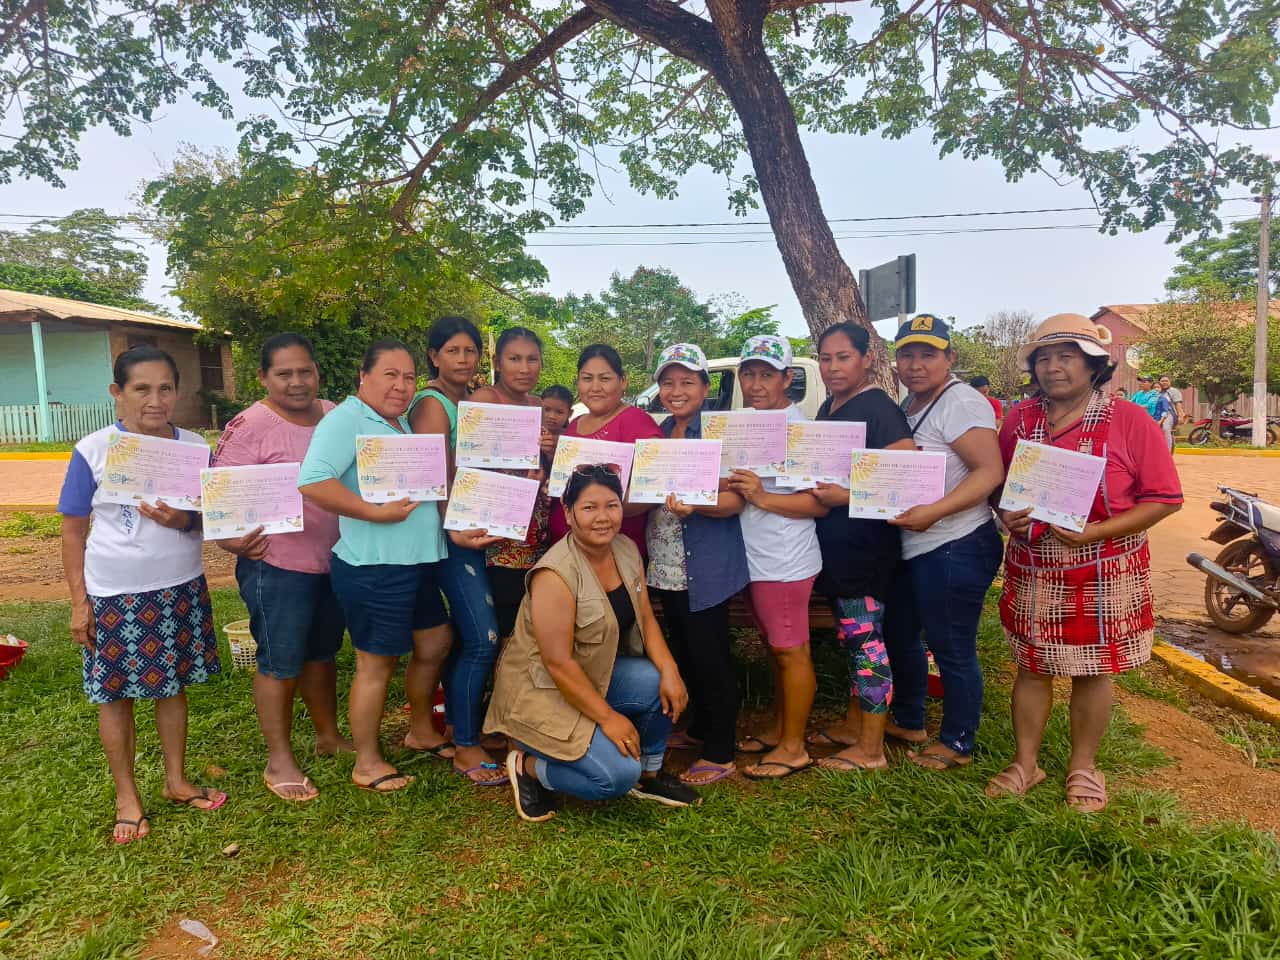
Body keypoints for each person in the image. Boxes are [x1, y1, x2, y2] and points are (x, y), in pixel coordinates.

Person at [989, 315, 1182, 811]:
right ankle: (1026, 763)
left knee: (1094, 671)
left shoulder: (1130, 421)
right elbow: (1002, 485)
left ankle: (1084, 768)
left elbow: (1163, 498)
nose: (1053, 368)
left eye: (1066, 356)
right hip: (1034, 564)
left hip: (1104, 566)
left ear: (1095, 364)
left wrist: (1094, 531)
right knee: (1031, 668)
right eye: (1044, 358)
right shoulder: (1020, 420)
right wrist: (1005, 513)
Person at [59, 345, 226, 843]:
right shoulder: (94, 449)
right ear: (118, 393)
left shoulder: (195, 446)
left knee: (171, 687)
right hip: (114, 592)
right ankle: (127, 796)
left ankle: (176, 780)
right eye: (142, 389)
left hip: (179, 586)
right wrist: (78, 601)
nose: (155, 400)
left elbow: (214, 514)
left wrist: (186, 518)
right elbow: (72, 531)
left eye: (165, 388)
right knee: (116, 696)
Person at [485, 464, 699, 821]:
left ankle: (649, 773)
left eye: (611, 505)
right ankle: (530, 765)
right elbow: (557, 664)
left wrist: (671, 670)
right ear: (568, 513)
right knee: (614, 776)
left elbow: (645, 616)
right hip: (545, 689)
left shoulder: (626, 549)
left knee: (655, 681)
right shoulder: (555, 574)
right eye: (589, 508)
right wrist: (610, 719)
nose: (603, 517)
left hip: (593, 676)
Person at [298, 340, 453, 794]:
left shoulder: (399, 423)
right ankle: (366, 761)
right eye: (390, 374)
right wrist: (374, 511)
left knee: (435, 641)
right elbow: (312, 480)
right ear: (363, 377)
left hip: (416, 561)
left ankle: (421, 729)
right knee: (376, 663)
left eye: (408, 377)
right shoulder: (346, 419)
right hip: (375, 566)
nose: (401, 385)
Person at [212, 333, 350, 802]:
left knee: (322, 653)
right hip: (276, 564)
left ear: (317, 372)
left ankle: (329, 737)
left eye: (305, 371)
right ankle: (280, 760)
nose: (297, 382)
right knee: (279, 660)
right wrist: (231, 540)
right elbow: (220, 500)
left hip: (334, 559)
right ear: (263, 378)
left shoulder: (334, 414)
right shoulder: (248, 426)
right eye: (284, 374)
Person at [883, 314, 1005, 772]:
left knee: (951, 644)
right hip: (917, 545)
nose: (916, 364)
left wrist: (933, 513)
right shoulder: (910, 402)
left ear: (950, 358)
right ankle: (910, 718)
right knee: (901, 633)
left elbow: (989, 472)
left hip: (955, 543)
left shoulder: (962, 403)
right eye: (907, 354)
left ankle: (957, 741)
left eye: (928, 355)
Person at [805, 323, 916, 773]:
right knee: (854, 641)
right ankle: (854, 728)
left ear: (867, 358)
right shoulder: (832, 406)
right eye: (826, 358)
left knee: (867, 645)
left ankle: (871, 752)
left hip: (867, 553)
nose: (832, 367)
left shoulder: (877, 407)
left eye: (843, 357)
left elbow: (906, 475)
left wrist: (844, 496)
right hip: (840, 550)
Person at [643, 343, 750, 785]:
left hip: (704, 567)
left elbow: (735, 500)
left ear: (706, 387)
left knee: (711, 656)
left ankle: (722, 750)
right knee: (685, 650)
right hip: (665, 565)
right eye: (668, 382)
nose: (676, 390)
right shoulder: (656, 432)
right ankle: (701, 727)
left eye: (687, 381)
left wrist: (698, 506)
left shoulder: (717, 433)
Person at [407, 316, 507, 785]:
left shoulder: (470, 401)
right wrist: (454, 531)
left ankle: (455, 726)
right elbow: (438, 476)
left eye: (470, 351)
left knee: (469, 637)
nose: (464, 360)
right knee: (482, 637)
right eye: (454, 351)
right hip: (450, 538)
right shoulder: (432, 404)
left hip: (474, 531)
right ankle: (465, 743)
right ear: (434, 356)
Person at [726, 335, 829, 781]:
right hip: (752, 555)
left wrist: (762, 497)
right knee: (774, 648)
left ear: (789, 377)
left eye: (767, 374)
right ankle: (779, 729)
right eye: (748, 373)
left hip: (784, 560)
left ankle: (793, 747)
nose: (755, 383)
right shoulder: (744, 424)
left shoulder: (801, 430)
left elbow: (818, 504)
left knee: (791, 650)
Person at [468, 327, 553, 642]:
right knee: (506, 622)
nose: (524, 368)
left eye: (532, 359)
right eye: (514, 358)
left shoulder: (537, 403)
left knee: (533, 616)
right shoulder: (486, 398)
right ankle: (502, 688)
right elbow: (467, 462)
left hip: (535, 528)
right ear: (498, 362)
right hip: (500, 532)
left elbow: (538, 465)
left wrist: (545, 462)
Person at [548, 344, 663, 555]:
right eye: (587, 378)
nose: (595, 387)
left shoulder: (637, 422)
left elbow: (654, 490)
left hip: (611, 555)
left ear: (623, 381)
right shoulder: (575, 424)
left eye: (605, 378)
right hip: (565, 552)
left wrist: (600, 511)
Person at [540, 385, 574, 450]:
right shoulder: (531, 433)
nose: (551, 416)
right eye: (547, 409)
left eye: (559, 412)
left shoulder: (571, 440)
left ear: (570, 413)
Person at [1158, 375, 1185, 451]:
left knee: (1165, 428)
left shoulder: (1174, 391)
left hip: (1170, 414)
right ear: (1159, 382)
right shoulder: (1156, 391)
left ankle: (1167, 452)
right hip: (1157, 414)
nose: (1164, 382)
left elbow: (1178, 404)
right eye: (1162, 381)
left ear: (1170, 382)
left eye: (1166, 381)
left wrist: (1180, 416)